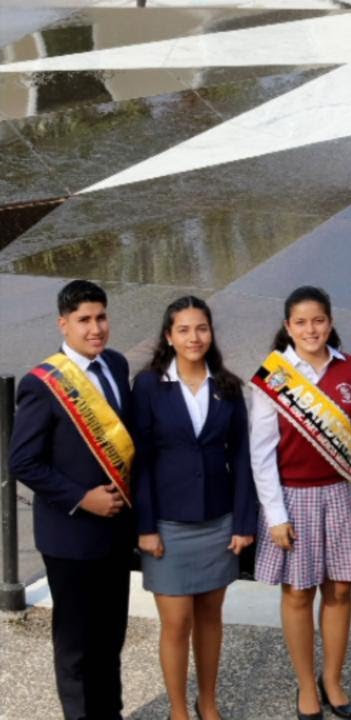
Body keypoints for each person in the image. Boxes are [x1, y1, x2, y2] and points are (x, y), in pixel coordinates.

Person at [9, 279, 134, 720]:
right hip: (71, 535)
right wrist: (82, 498)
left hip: (116, 532)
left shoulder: (116, 365)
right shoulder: (42, 383)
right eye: (84, 320)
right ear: (64, 324)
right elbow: (22, 460)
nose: (95, 328)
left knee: (110, 635)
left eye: (101, 317)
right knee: (77, 643)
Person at [249, 286, 351, 720]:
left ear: (331, 322)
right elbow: (261, 451)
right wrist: (275, 515)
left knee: (340, 589)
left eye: (318, 320)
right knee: (299, 594)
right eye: (300, 322)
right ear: (287, 327)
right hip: (293, 496)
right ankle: (306, 684)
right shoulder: (275, 375)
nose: (310, 329)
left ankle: (333, 679)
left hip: (341, 492)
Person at [132, 296, 257, 720]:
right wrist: (145, 526)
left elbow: (241, 457)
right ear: (169, 336)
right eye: (183, 329)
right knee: (176, 622)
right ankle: (179, 710)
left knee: (210, 618)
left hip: (218, 522)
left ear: (210, 332)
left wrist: (243, 522)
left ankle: (208, 702)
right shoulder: (149, 386)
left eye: (201, 328)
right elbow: (141, 459)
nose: (193, 337)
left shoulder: (227, 386)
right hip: (167, 525)